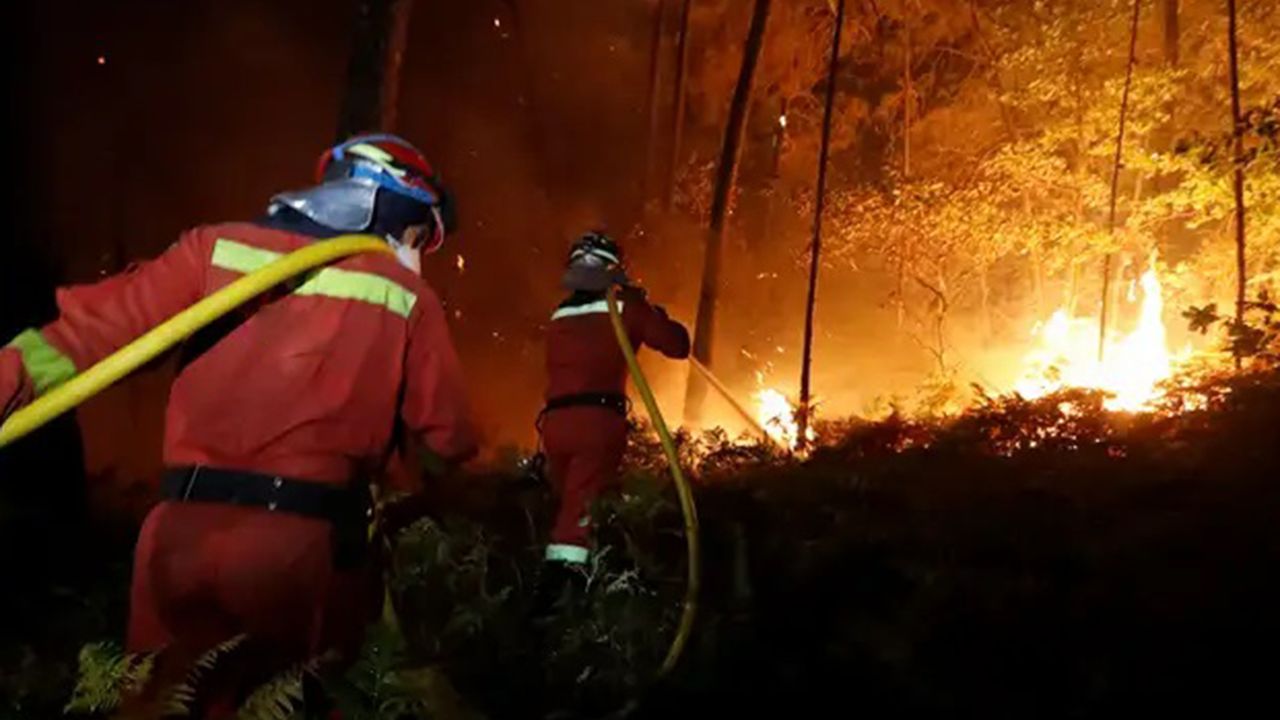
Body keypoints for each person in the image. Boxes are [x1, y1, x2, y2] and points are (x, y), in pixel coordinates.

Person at [0, 133, 477, 715]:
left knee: (156, 703)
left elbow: (83, 337)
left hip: (175, 541)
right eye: (421, 236)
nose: (417, 250)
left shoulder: (214, 249)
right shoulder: (406, 296)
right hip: (297, 558)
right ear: (399, 207)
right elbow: (449, 437)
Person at [534, 231, 690, 612]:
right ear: (613, 270)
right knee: (580, 515)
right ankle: (561, 598)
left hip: (554, 425)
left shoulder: (560, 313)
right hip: (596, 423)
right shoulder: (623, 309)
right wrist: (648, 310)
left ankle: (575, 573)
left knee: (570, 501)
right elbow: (677, 345)